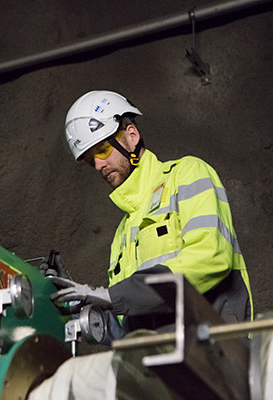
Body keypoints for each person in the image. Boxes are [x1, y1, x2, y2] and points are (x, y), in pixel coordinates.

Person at [48, 90, 252, 338]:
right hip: (153, 359)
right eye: (92, 160)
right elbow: (127, 328)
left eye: (102, 150)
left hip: (213, 349)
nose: (99, 165)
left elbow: (211, 258)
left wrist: (113, 295)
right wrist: (78, 306)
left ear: (131, 136)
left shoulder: (186, 174)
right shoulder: (122, 235)